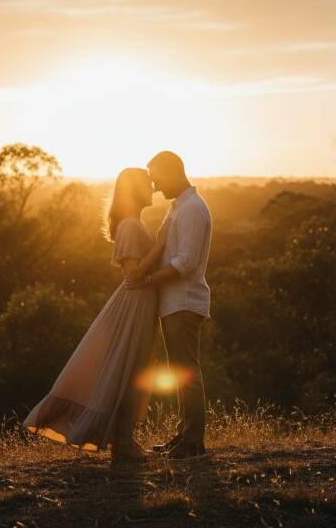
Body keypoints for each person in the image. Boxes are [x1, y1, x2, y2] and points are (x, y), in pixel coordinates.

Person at [22, 167, 166, 463]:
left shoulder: (133, 223)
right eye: (148, 184)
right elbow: (133, 275)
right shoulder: (129, 225)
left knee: (133, 371)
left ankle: (124, 439)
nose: (153, 189)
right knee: (127, 371)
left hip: (142, 305)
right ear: (135, 189)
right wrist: (163, 244)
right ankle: (122, 443)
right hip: (134, 306)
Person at [125, 151, 213, 460]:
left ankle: (193, 443)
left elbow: (185, 262)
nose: (155, 185)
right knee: (180, 371)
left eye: (157, 177)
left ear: (174, 172)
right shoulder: (179, 207)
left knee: (187, 371)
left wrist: (148, 281)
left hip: (184, 302)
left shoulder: (191, 210)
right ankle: (185, 436)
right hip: (174, 302)